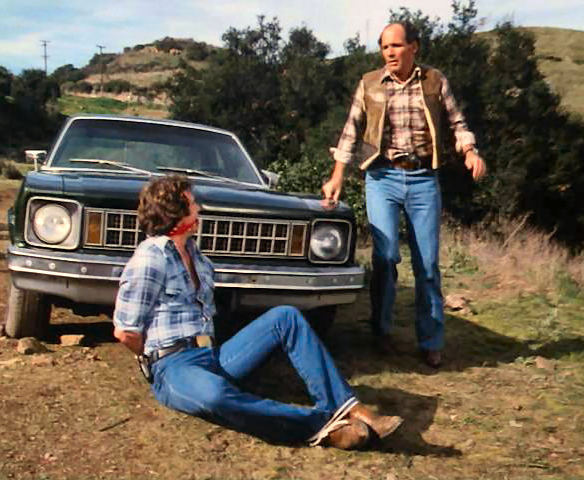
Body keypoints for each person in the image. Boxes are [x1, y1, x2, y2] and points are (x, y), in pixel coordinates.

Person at [113, 174, 403, 450]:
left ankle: (348, 407)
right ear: (174, 213)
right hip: (174, 366)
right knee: (215, 396)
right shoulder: (150, 258)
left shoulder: (195, 254)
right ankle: (323, 426)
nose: (198, 208)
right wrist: (154, 360)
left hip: (212, 355)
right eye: (192, 203)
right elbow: (126, 332)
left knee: (285, 317)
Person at [321, 22, 486, 368]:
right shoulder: (369, 83)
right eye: (384, 47)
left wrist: (470, 152)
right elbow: (350, 131)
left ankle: (430, 341)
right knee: (385, 257)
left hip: (424, 178)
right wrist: (337, 177)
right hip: (382, 177)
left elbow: (457, 122)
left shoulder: (435, 81)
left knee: (427, 264)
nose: (390, 53)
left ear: (414, 47)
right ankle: (381, 331)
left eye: (396, 46)